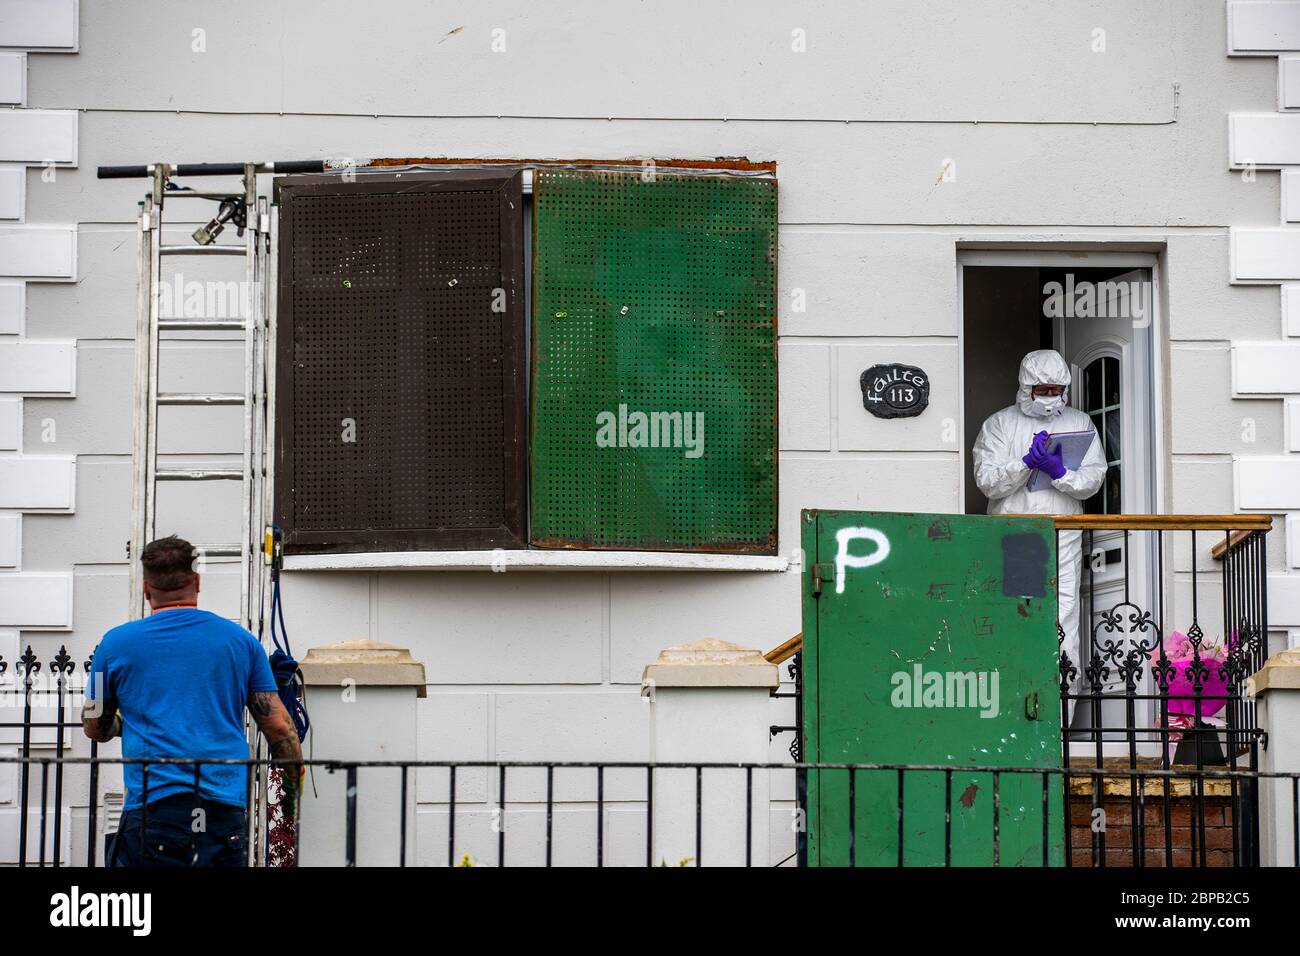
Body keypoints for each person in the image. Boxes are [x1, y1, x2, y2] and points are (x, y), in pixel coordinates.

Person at [83, 535, 303, 866]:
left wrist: (121, 725)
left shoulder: (113, 646)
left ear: (146, 589)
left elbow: (94, 725)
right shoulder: (241, 643)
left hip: (152, 810)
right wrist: (289, 803)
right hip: (222, 809)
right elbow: (281, 731)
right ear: (197, 582)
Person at [971, 349, 1106, 726]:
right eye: (1043, 389)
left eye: (1058, 389)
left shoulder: (1080, 423)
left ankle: (1059, 722)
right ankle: (1013, 719)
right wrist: (1024, 464)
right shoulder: (998, 425)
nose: (1052, 397)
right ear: (1026, 387)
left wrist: (1060, 472)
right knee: (1018, 617)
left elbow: (1094, 479)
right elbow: (987, 481)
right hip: (1016, 533)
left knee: (1065, 620)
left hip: (1062, 531)